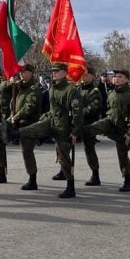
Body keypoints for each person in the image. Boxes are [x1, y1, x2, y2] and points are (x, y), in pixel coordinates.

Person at [14, 63, 82, 197]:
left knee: (64, 157)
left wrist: (75, 131)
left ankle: (70, 186)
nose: (54, 73)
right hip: (51, 122)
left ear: (64, 72)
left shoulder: (71, 90)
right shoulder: (52, 88)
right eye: (53, 71)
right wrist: (43, 118)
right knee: (28, 131)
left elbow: (77, 113)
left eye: (57, 71)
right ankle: (13, 134)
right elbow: (52, 110)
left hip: (64, 127)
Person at [83, 69, 130, 192]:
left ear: (126, 79)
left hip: (123, 129)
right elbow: (109, 109)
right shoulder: (111, 92)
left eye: (120, 76)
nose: (116, 78)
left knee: (122, 155)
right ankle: (95, 176)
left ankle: (127, 181)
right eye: (115, 76)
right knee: (87, 131)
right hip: (110, 122)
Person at [77, 67, 102, 186]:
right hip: (75, 123)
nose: (84, 77)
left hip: (89, 124)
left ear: (92, 76)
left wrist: (79, 113)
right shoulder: (77, 89)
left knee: (89, 149)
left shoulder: (94, 91)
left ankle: (95, 174)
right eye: (82, 75)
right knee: (62, 145)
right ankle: (63, 169)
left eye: (87, 75)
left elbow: (93, 107)